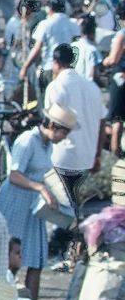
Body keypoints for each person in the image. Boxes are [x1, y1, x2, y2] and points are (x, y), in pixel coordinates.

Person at [0, 105, 73, 300]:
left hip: (34, 206)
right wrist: (40, 188)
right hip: (16, 201)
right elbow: (14, 175)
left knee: (36, 259)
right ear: (53, 126)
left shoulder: (47, 145)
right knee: (9, 259)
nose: (65, 137)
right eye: (64, 132)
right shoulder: (28, 140)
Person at [42, 45, 103, 194]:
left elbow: (51, 123)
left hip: (62, 157)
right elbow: (103, 122)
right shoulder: (92, 87)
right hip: (88, 156)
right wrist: (97, 154)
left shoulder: (55, 86)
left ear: (56, 62)